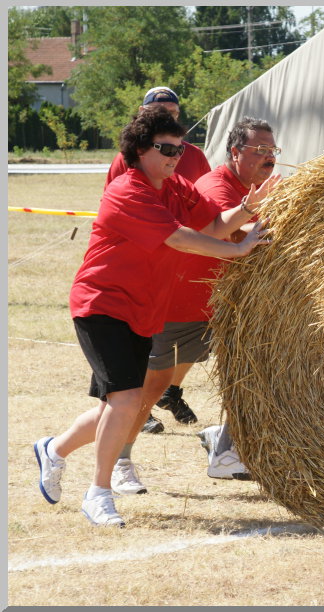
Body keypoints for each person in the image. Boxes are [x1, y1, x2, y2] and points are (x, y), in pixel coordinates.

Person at [33, 106, 279, 526]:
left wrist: (246, 209)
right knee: (127, 401)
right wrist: (239, 250)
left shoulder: (176, 186)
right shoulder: (128, 191)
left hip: (144, 309)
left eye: (180, 148)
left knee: (130, 403)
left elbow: (211, 225)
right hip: (103, 304)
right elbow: (182, 239)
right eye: (166, 148)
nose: (175, 155)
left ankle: (53, 449)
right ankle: (99, 493)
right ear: (141, 149)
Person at [106, 86, 212, 435]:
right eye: (162, 112)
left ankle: (169, 393)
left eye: (175, 114)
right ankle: (134, 406)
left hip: (185, 260)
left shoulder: (193, 155)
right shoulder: (130, 160)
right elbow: (120, 209)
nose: (175, 156)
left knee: (188, 339)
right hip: (143, 262)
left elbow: (204, 203)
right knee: (143, 341)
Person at [191, 117, 281, 480]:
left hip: (232, 300)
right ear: (235, 152)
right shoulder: (217, 185)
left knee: (252, 368)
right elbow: (232, 228)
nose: (269, 158)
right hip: (197, 300)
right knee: (145, 388)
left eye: (273, 150)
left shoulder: (263, 184)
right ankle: (119, 460)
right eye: (260, 150)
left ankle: (225, 445)